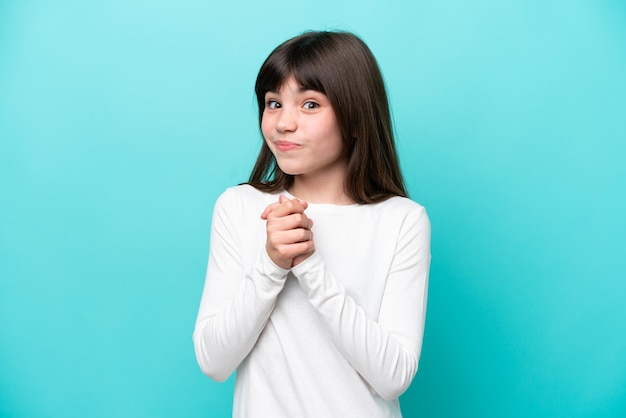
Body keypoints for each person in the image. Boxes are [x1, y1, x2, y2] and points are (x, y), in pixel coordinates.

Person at [193, 30, 431, 418]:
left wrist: (309, 266)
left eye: (309, 104)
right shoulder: (239, 208)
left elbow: (392, 378)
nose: (284, 123)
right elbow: (213, 361)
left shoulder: (401, 220)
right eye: (273, 103)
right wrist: (271, 264)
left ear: (355, 118)